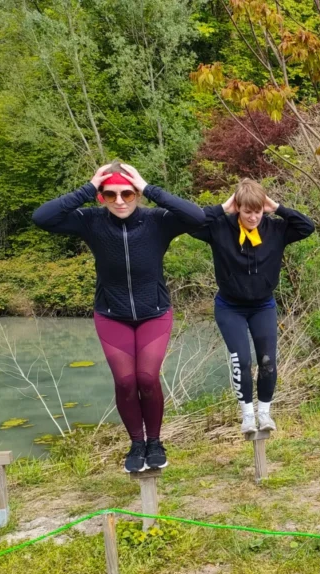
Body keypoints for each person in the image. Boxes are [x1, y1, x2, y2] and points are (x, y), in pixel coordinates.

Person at [32, 161, 206, 472]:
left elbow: (197, 216)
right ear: (101, 197)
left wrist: (149, 187)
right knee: (126, 381)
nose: (120, 201)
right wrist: (87, 187)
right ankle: (136, 444)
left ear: (137, 193)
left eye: (127, 193)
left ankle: (155, 442)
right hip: (112, 314)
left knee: (147, 378)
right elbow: (41, 217)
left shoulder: (157, 221)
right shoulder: (90, 221)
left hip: (154, 313)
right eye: (111, 195)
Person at [190, 178, 315, 434]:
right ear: (238, 208)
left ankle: (265, 414)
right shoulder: (220, 227)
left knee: (268, 361)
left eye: (257, 211)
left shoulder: (275, 229)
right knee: (243, 361)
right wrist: (223, 207)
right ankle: (247, 416)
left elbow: (307, 227)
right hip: (229, 307)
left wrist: (276, 207)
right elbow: (190, 222)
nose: (253, 217)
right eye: (247, 211)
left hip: (263, 306)